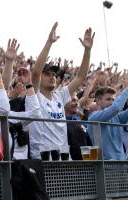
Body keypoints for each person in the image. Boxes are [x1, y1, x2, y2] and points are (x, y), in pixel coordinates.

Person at [25, 22, 95, 159]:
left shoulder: (60, 95)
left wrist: (87, 51)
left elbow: (81, 77)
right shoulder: (34, 96)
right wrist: (49, 42)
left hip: (63, 158)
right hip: (42, 159)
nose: (52, 77)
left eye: (54, 74)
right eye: (47, 74)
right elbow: (36, 73)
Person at [87, 84, 128, 160]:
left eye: (113, 99)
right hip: (104, 166)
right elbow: (116, 108)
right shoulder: (93, 117)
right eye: (108, 99)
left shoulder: (116, 117)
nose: (112, 102)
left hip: (121, 165)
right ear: (98, 100)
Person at [65, 92, 92, 160]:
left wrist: (89, 161)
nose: (77, 103)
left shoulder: (79, 122)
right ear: (63, 102)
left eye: (77, 100)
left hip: (85, 165)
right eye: (73, 100)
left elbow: (87, 143)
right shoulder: (60, 123)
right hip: (68, 166)